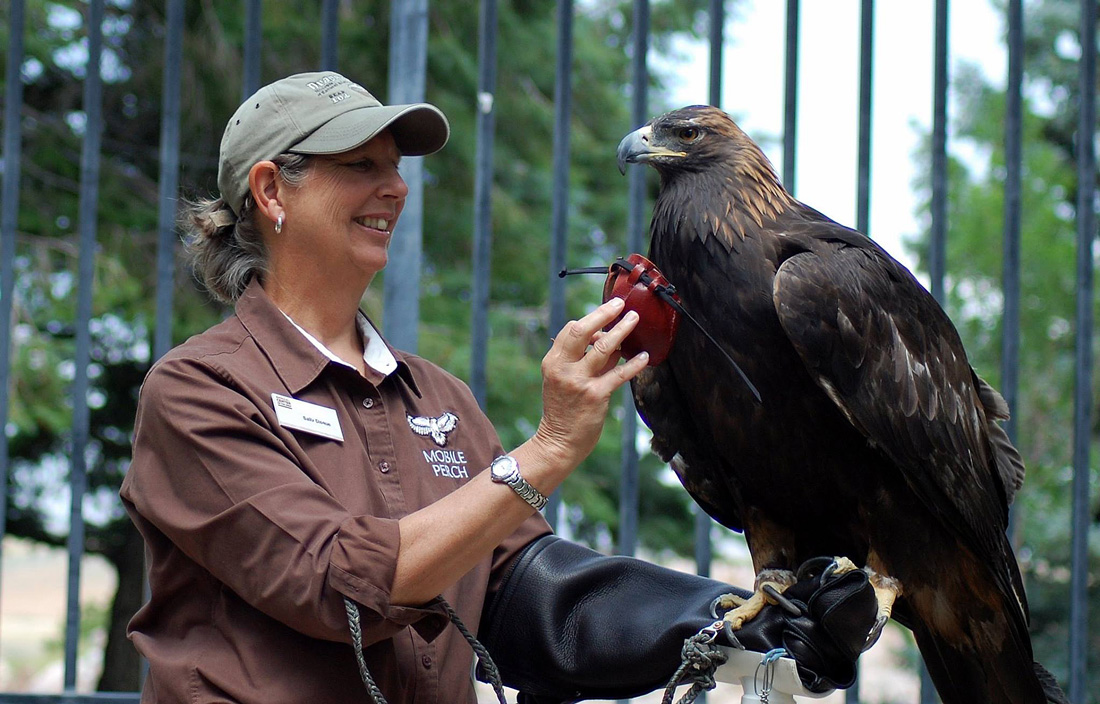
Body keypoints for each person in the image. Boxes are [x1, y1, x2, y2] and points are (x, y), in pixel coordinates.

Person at [121, 71, 876, 704]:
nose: (395, 188)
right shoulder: (200, 393)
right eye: (361, 167)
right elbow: (340, 588)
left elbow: (526, 601)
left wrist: (735, 625)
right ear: (270, 191)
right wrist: (544, 452)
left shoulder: (437, 400)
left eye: (396, 167)